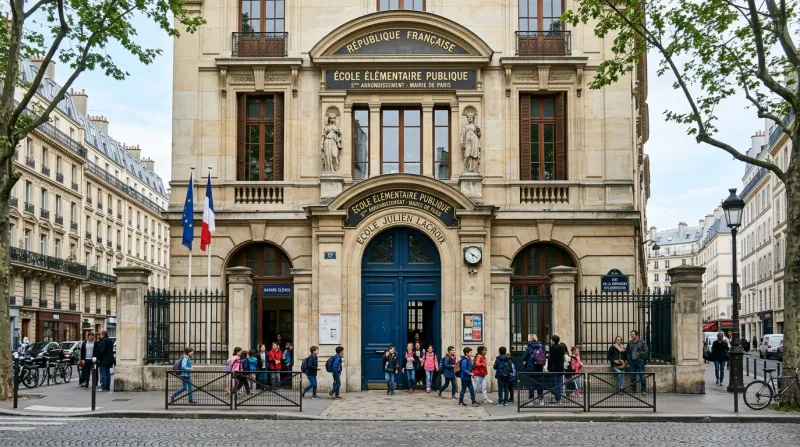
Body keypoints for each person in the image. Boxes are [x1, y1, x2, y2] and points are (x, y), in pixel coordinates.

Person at [521, 334, 546, 403]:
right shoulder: (542, 347)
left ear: (530, 339)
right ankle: (541, 399)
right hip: (539, 367)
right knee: (539, 383)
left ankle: (531, 399)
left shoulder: (529, 348)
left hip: (530, 368)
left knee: (531, 383)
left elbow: (523, 358)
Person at [626, 330, 649, 395]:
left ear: (637, 335)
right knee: (632, 377)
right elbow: (627, 352)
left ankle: (643, 390)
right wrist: (629, 361)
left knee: (642, 376)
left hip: (639, 362)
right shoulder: (630, 343)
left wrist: (640, 356)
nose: (631, 336)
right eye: (631, 334)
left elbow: (646, 352)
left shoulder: (642, 342)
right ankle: (633, 390)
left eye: (632, 334)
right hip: (632, 362)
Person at [547, 335, 566, 404]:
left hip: (555, 369)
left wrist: (550, 368)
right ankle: (559, 398)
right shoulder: (561, 347)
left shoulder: (553, 348)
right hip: (560, 368)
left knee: (555, 384)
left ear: (553, 341)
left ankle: (557, 399)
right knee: (560, 384)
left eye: (551, 340)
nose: (550, 341)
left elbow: (552, 359)